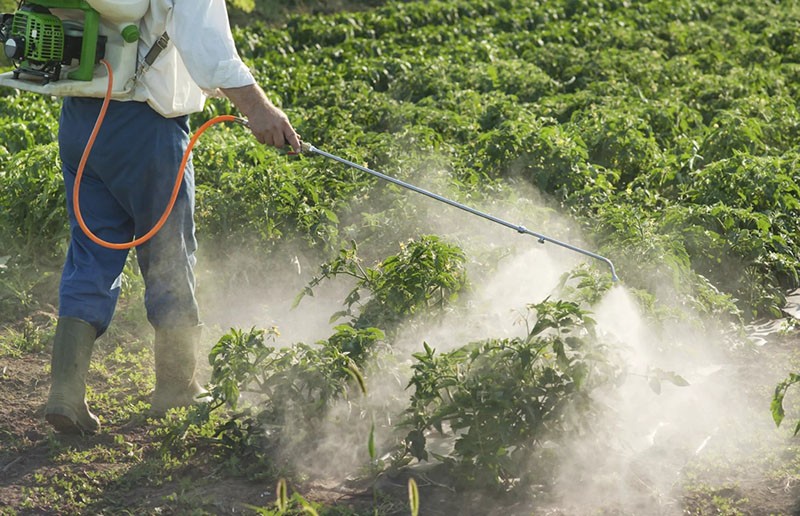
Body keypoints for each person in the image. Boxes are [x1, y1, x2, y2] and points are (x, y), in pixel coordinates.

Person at [44, 0, 301, 435]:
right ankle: (177, 387)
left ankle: (65, 394)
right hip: (146, 129)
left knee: (90, 252)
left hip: (81, 120)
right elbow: (210, 47)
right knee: (169, 252)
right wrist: (259, 110)